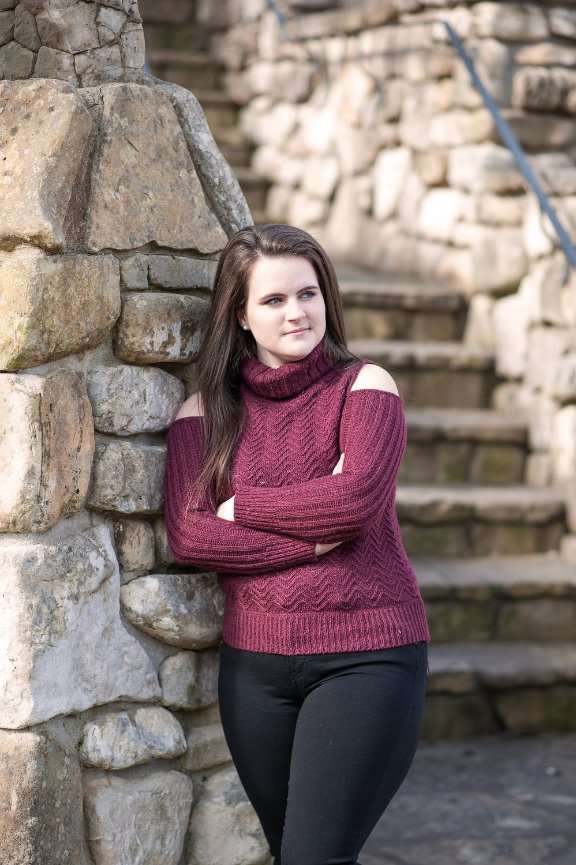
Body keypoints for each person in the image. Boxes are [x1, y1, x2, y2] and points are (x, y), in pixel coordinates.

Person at [164, 223, 431, 865]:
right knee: (293, 855)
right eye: (274, 300)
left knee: (316, 856)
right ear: (242, 315)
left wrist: (241, 507)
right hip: (254, 668)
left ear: (328, 298)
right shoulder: (205, 412)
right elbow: (191, 534)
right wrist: (313, 540)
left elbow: (356, 503)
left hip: (367, 655)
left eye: (308, 294)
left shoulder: (366, 387)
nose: (297, 313)